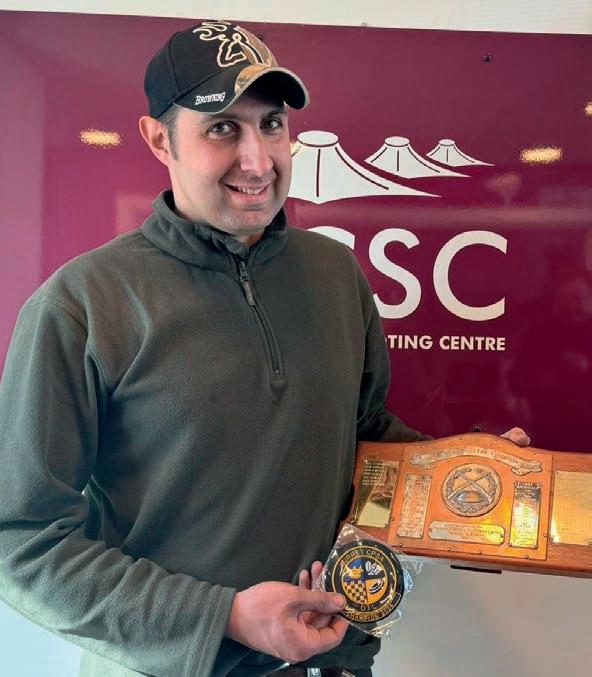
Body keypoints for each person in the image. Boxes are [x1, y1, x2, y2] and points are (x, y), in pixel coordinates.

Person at [0, 20, 528, 677]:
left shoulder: (336, 274)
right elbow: (22, 542)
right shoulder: (80, 304)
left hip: (334, 660)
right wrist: (222, 614)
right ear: (159, 138)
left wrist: (471, 471)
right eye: (223, 127)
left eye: (272, 124)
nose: (257, 160)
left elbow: (364, 437)